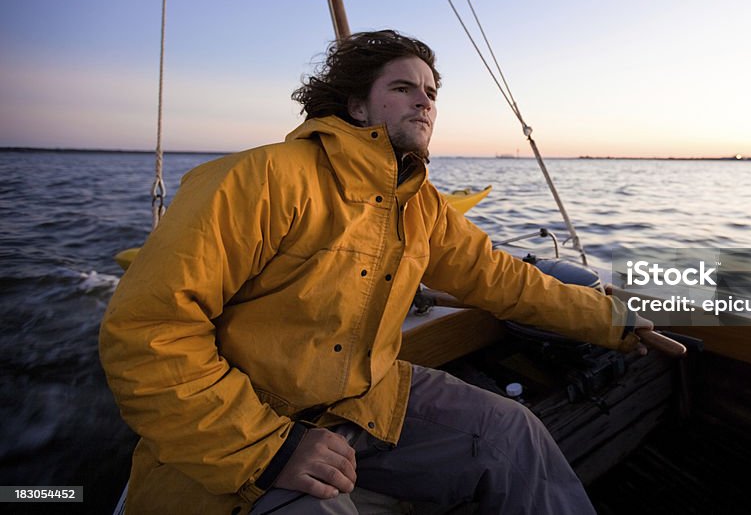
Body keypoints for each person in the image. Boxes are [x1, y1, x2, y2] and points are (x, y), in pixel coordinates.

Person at [100, 30, 651, 515]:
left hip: (364, 399)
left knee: (513, 435)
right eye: (403, 88)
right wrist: (268, 447)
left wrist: (616, 320)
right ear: (357, 106)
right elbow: (147, 333)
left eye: (431, 93)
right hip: (252, 419)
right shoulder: (260, 179)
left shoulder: (421, 205)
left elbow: (500, 277)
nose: (425, 102)